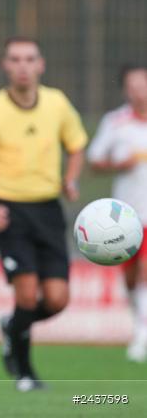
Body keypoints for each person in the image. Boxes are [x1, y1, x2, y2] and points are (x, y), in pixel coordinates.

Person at [0, 36, 88, 392]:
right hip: (11, 212)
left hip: (48, 209)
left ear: (41, 65)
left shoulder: (57, 104)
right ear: (5, 66)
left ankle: (11, 326)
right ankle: (25, 373)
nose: (23, 66)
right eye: (15, 59)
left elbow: (76, 146)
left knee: (58, 299)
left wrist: (71, 179)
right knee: (27, 296)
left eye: (30, 59)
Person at [86, 64, 147, 362]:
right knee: (132, 276)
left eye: (143, 84)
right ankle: (140, 323)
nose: (139, 90)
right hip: (126, 215)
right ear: (125, 89)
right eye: (132, 85)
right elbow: (95, 161)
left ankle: (143, 336)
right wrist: (118, 165)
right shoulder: (115, 122)